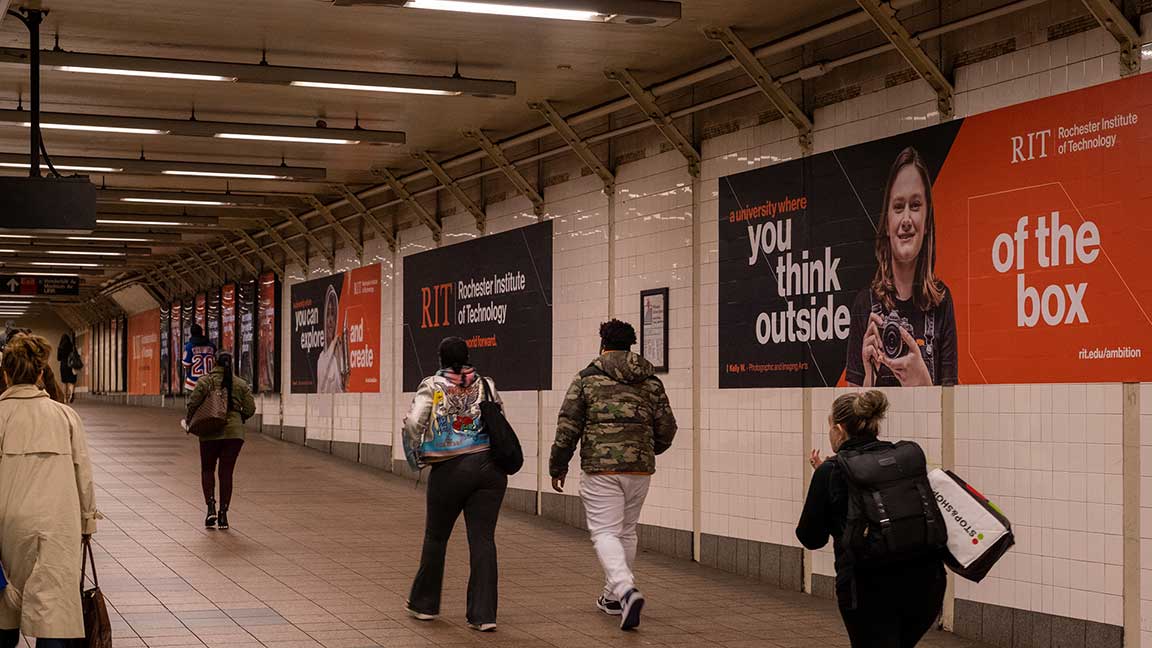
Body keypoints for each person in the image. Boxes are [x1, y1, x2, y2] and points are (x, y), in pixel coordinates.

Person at [549, 319, 677, 631]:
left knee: (605, 532)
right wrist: (646, 450)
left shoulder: (586, 379)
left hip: (601, 468)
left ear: (602, 344)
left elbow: (568, 425)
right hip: (639, 469)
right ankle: (611, 597)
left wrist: (558, 465)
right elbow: (667, 426)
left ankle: (625, 589)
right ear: (631, 345)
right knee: (627, 531)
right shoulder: (650, 380)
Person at [796, 391, 946, 648]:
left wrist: (823, 483)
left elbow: (811, 537)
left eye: (830, 427)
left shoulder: (830, 472)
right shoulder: (902, 459)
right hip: (926, 582)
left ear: (840, 430)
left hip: (868, 588)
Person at [0, 334, 100, 648]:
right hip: (58, 525)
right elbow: (83, 475)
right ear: (41, 374)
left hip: (7, 526)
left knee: (4, 609)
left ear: (5, 374)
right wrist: (87, 523)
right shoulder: (66, 416)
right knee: (53, 614)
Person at [403, 337, 506, 633]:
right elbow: (499, 418)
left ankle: (424, 605)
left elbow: (413, 424)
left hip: (449, 470)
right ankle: (483, 615)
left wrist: (415, 458)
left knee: (436, 537)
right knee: (483, 540)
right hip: (490, 470)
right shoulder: (486, 384)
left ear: (440, 358)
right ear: (468, 355)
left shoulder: (432, 385)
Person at [846, 146, 957, 387]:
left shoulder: (941, 303)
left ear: (927, 220)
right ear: (887, 222)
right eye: (898, 207)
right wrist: (868, 377)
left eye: (915, 205)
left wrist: (923, 383)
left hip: (925, 427)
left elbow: (951, 412)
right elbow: (853, 418)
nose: (906, 220)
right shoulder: (864, 305)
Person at [187, 352, 255, 530]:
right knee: (226, 473)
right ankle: (224, 514)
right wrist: (239, 418)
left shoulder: (205, 382)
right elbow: (250, 408)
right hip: (234, 435)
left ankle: (211, 508)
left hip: (209, 431)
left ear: (214, 363)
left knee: (208, 469)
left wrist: (189, 421)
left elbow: (192, 403)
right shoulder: (240, 383)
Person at [315, 285, 348, 393]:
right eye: (328, 314)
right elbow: (323, 385)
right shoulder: (321, 359)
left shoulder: (340, 353)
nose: (330, 320)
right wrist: (333, 343)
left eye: (333, 314)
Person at [182, 324, 216, 392]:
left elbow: (186, 364)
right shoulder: (212, 346)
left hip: (193, 382)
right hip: (209, 381)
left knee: (193, 402)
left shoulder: (189, 346)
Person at [56, 334, 78, 403]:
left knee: (64, 382)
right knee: (71, 381)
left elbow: (58, 358)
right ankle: (71, 394)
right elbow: (76, 355)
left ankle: (65, 398)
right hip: (71, 365)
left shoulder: (60, 347)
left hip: (63, 366)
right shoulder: (71, 346)